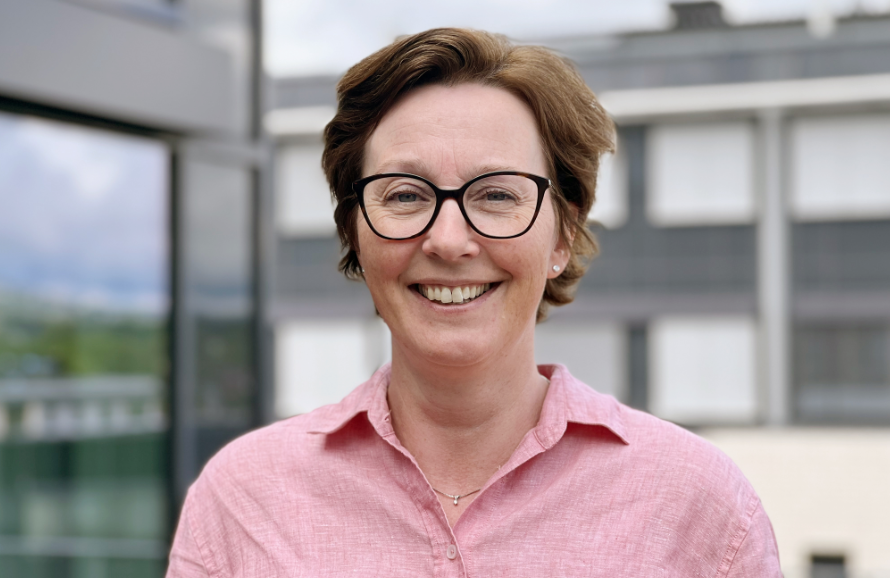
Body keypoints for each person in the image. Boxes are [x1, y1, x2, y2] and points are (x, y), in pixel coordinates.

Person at [166, 28, 782, 577]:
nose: (448, 240)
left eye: (496, 195)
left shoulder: (701, 507)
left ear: (563, 235)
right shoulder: (241, 500)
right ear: (355, 231)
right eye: (405, 195)